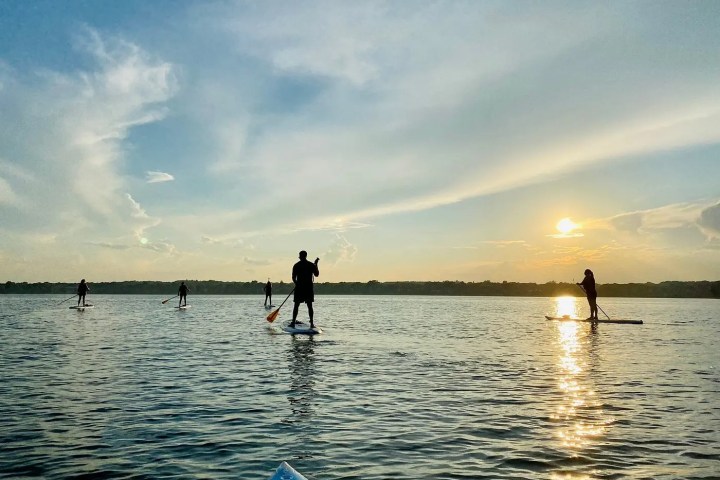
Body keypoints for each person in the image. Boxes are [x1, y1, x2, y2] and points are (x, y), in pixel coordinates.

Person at [290, 251, 320, 328]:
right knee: (309, 306)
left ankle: (293, 322)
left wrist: (296, 283)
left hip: (300, 288)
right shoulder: (311, 265)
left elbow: (293, 277)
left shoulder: (297, 265)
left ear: (300, 256)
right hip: (308, 288)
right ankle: (312, 323)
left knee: (296, 305)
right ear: (306, 256)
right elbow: (317, 274)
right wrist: (316, 264)